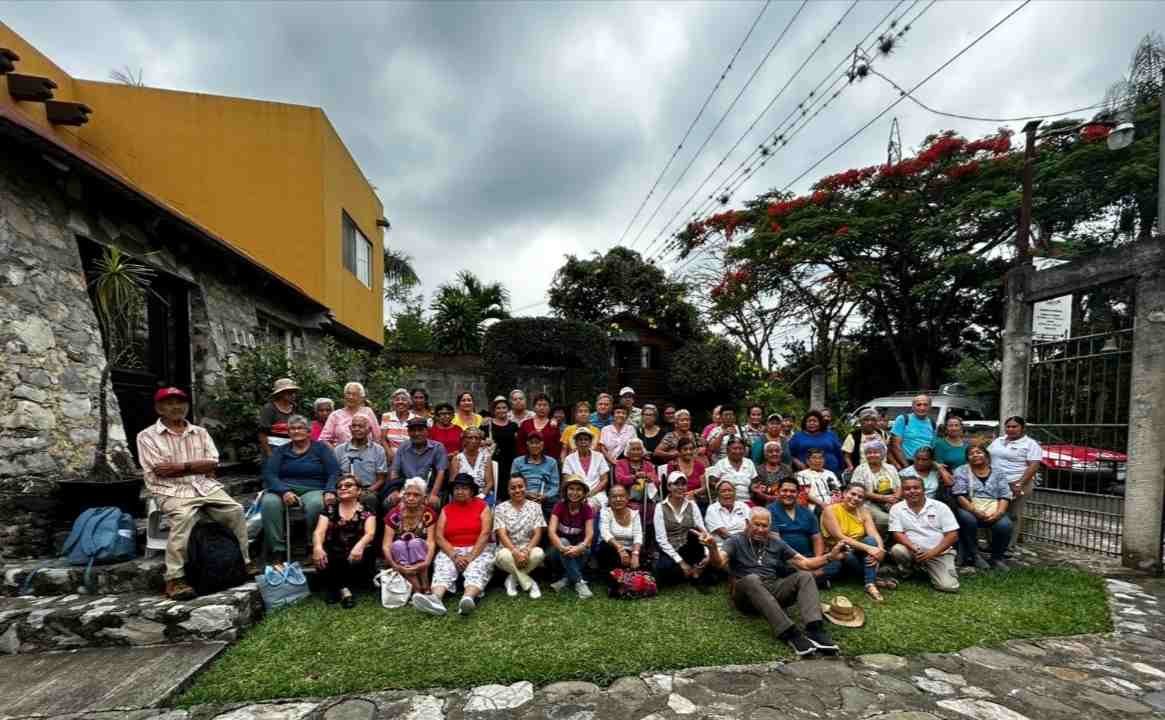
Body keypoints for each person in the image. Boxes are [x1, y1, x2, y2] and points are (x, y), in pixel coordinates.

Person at [137, 387, 255, 600]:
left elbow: (212, 463)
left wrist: (181, 466)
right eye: (169, 403)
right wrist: (196, 466)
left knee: (235, 510)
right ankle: (174, 578)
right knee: (183, 518)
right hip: (170, 490)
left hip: (204, 486)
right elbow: (159, 469)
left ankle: (243, 562)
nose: (176, 407)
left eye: (180, 402)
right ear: (159, 408)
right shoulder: (146, 436)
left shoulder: (200, 432)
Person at [705, 507, 844, 656]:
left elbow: (806, 564)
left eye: (764, 526)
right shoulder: (735, 540)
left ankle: (815, 629)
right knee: (752, 579)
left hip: (772, 589)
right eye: (756, 524)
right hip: (745, 595)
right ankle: (790, 633)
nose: (760, 529)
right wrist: (713, 547)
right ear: (747, 523)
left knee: (805, 575)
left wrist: (830, 556)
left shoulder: (776, 543)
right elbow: (719, 562)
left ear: (769, 527)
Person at [261, 414, 342, 564]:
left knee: (316, 505)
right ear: (288, 432)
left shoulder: (320, 449)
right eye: (292, 428)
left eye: (300, 428)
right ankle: (278, 550)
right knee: (269, 503)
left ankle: (312, 546)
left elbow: (334, 472)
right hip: (285, 488)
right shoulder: (281, 451)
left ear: (308, 431)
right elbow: (270, 474)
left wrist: (330, 490)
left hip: (313, 488)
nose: (296, 431)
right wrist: (283, 491)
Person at [412, 473, 495, 616]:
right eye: (457, 488)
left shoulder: (483, 506)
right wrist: (454, 555)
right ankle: (436, 599)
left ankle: (468, 598)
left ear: (471, 491)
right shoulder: (446, 509)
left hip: (478, 548)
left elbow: (485, 534)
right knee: (444, 566)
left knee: (477, 567)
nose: (459, 491)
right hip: (452, 548)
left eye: (464, 488)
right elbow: (439, 536)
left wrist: (469, 557)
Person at [821, 483, 892, 602]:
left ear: (863, 500)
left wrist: (880, 550)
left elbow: (873, 533)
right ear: (844, 493)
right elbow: (839, 536)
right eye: (852, 494)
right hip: (838, 553)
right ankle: (873, 579)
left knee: (871, 540)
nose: (855, 498)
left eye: (860, 497)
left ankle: (870, 584)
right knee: (848, 555)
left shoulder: (864, 511)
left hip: (856, 552)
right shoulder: (830, 510)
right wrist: (869, 549)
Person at [888, 474, 960, 592]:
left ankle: (928, 568)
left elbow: (953, 535)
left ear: (923, 490)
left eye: (916, 488)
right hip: (913, 551)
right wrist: (913, 547)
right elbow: (897, 533)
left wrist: (931, 553)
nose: (912, 491)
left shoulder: (940, 507)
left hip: (938, 552)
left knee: (949, 587)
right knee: (897, 550)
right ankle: (908, 571)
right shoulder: (897, 508)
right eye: (907, 489)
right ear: (902, 491)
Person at [312, 475, 375, 607]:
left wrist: (359, 546)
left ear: (358, 491)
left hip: (357, 553)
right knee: (328, 553)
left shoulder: (367, 510)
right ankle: (344, 590)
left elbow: (370, 533)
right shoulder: (329, 510)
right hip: (335, 553)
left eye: (348, 485)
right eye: (339, 487)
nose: (343, 488)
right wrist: (317, 547)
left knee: (361, 552)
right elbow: (319, 531)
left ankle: (335, 588)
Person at [951, 445, 1014, 569]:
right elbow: (959, 495)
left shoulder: (998, 471)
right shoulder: (961, 470)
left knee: (1004, 525)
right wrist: (975, 511)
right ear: (967, 458)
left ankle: (996, 558)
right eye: (971, 454)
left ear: (986, 455)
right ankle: (975, 556)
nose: (975, 455)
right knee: (969, 519)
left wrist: (999, 513)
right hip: (969, 507)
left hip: (993, 508)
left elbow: (1005, 494)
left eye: (978, 452)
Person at [988, 416, 1042, 550]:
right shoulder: (998, 441)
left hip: (1017, 484)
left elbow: (1034, 466)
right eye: (1008, 426)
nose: (1010, 429)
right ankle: (993, 544)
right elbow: (987, 456)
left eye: (1014, 426)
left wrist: (1019, 484)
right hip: (995, 483)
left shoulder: (1030, 444)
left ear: (1022, 428)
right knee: (992, 512)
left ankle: (1008, 546)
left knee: (1012, 515)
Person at [767, 478, 829, 585]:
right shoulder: (769, 511)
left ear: (798, 493)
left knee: (837, 560)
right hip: (786, 559)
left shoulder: (807, 512)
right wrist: (802, 561)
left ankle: (807, 577)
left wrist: (817, 561)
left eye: (792, 491)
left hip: (809, 558)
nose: (788, 494)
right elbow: (776, 541)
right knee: (776, 564)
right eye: (784, 490)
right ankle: (814, 578)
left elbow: (817, 539)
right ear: (778, 492)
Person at [653, 471, 712, 586]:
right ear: (669, 487)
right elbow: (661, 540)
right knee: (664, 570)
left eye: (683, 484)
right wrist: (681, 562)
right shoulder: (660, 507)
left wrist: (707, 553)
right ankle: (691, 571)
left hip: (689, 548)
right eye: (676, 484)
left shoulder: (692, 505)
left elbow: (702, 531)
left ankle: (694, 570)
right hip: (671, 549)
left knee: (693, 535)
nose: (680, 487)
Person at [492, 475, 547, 598]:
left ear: (525, 488)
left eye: (520, 486)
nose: (517, 490)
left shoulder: (535, 507)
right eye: (513, 488)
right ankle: (531, 583)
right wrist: (515, 552)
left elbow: (537, 533)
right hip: (508, 550)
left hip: (528, 549)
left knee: (539, 553)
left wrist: (526, 551)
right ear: (508, 490)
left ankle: (512, 579)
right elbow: (502, 534)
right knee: (502, 555)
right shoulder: (500, 508)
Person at [382, 477, 437, 596]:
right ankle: (417, 589)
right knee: (397, 545)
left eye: (416, 495)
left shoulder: (428, 514)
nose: (411, 498)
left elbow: (431, 541)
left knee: (415, 543)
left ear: (424, 498)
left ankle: (426, 585)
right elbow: (386, 545)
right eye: (408, 494)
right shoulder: (394, 514)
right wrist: (395, 565)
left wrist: (427, 562)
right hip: (400, 557)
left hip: (421, 553)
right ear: (403, 495)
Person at [548, 476, 595, 598]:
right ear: (566, 491)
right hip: (558, 551)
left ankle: (565, 580)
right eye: (571, 489)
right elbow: (551, 532)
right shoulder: (559, 506)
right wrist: (562, 547)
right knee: (563, 540)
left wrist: (580, 547)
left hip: (578, 551)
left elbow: (590, 534)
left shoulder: (587, 509)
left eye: (579, 489)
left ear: (584, 493)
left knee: (586, 548)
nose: (574, 493)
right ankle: (579, 582)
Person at [388, 417, 449, 508]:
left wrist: (433, 494)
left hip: (429, 488)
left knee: (434, 504)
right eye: (412, 430)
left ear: (427, 431)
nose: (417, 433)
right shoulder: (403, 447)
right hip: (406, 488)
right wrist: (394, 490)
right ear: (408, 432)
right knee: (389, 502)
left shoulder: (438, 447)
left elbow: (441, 472)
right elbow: (394, 470)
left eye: (420, 430)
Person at [333, 414, 388, 510]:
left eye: (361, 426)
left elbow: (381, 479)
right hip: (344, 488)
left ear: (369, 429)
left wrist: (365, 491)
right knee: (333, 500)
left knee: (369, 499)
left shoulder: (378, 450)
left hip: (368, 489)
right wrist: (344, 490)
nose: (357, 429)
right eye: (354, 426)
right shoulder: (339, 449)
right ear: (350, 428)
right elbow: (334, 475)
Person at [848, 440, 901, 533]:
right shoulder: (860, 469)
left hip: (891, 499)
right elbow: (858, 491)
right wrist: (883, 498)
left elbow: (899, 486)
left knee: (903, 514)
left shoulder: (890, 468)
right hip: (868, 502)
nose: (872, 455)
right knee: (885, 519)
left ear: (882, 454)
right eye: (869, 453)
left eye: (875, 452)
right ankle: (883, 540)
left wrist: (895, 498)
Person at [511, 432, 560, 520]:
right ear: (527, 444)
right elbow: (513, 484)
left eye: (537, 442)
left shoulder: (552, 462)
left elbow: (555, 486)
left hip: (545, 498)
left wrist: (545, 496)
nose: (534, 445)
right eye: (532, 443)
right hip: (523, 495)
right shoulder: (517, 462)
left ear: (542, 444)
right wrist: (526, 493)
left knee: (554, 507)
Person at [319, 382, 382, 448]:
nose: (350, 397)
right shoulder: (335, 415)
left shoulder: (368, 412)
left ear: (361, 398)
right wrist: (335, 451)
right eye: (348, 393)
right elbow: (322, 440)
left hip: (366, 453)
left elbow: (377, 437)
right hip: (342, 455)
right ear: (344, 396)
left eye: (354, 394)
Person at [598, 485, 643, 573]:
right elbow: (605, 533)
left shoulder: (634, 514)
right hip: (612, 548)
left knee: (640, 564)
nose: (618, 499)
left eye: (622, 496)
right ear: (609, 499)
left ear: (627, 498)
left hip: (630, 549)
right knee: (606, 550)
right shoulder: (605, 512)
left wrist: (635, 554)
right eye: (614, 497)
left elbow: (638, 535)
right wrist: (620, 549)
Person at [481, 397, 519, 503]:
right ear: (493, 410)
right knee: (494, 489)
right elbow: (477, 440)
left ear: (508, 409)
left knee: (508, 489)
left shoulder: (513, 425)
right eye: (498, 408)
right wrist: (484, 442)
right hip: (493, 462)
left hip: (510, 462)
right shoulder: (486, 425)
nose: (501, 410)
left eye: (504, 407)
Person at [562, 427, 610, 510]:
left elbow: (604, 479)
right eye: (580, 439)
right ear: (576, 442)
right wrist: (580, 494)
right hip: (575, 494)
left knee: (593, 506)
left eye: (586, 439)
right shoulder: (569, 459)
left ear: (590, 442)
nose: (583, 442)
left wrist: (591, 493)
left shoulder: (599, 456)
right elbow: (567, 479)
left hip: (597, 494)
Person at [788, 410, 844, 476]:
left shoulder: (831, 435)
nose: (812, 423)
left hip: (831, 472)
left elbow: (839, 453)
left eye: (815, 421)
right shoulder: (798, 436)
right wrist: (798, 463)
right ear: (805, 423)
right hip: (806, 472)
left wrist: (841, 468)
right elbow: (789, 454)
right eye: (809, 421)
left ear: (820, 422)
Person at [889, 395, 936, 468]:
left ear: (930, 407)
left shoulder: (932, 423)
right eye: (918, 404)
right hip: (907, 462)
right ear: (913, 406)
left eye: (925, 405)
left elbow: (932, 446)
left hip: (926, 464)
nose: (922, 408)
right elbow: (895, 446)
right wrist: (907, 467)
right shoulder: (903, 419)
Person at [706, 436, 758, 504]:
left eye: (741, 448)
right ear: (727, 450)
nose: (738, 451)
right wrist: (726, 489)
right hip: (726, 501)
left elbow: (755, 481)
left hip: (746, 500)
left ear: (745, 450)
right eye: (734, 448)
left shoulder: (749, 463)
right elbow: (711, 481)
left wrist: (753, 487)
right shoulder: (721, 463)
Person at [450, 426, 495, 503]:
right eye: (470, 437)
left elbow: (490, 483)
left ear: (480, 441)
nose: (473, 440)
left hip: (483, 494)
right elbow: (453, 482)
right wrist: (464, 496)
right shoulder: (457, 459)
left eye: (477, 438)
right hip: (462, 495)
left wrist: (481, 496)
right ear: (464, 440)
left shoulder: (486, 458)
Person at [613, 438, 659, 511]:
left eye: (638, 449)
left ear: (642, 451)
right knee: (638, 485)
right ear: (628, 452)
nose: (636, 452)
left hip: (647, 496)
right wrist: (634, 477)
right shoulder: (620, 463)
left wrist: (648, 477)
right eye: (633, 449)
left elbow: (656, 481)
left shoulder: (648, 464)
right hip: (626, 497)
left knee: (644, 485)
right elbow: (620, 479)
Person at [517, 393, 563, 465]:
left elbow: (557, 449)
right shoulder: (525, 424)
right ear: (534, 407)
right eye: (539, 405)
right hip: (526, 464)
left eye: (545, 405)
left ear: (549, 408)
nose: (542, 408)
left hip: (548, 465)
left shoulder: (554, 426)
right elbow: (520, 446)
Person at [258, 377, 299, 457]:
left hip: (291, 447)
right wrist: (269, 452)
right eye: (289, 393)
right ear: (280, 394)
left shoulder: (294, 407)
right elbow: (262, 433)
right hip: (274, 448)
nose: (293, 395)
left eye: (293, 392)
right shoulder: (269, 408)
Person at [704, 480, 749, 551]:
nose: (727, 493)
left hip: (745, 543)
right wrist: (741, 542)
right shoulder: (712, 509)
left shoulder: (743, 506)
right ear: (718, 494)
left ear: (735, 493)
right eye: (723, 491)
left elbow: (749, 525)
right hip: (723, 546)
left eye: (730, 490)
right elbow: (723, 534)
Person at [665, 437, 708, 510]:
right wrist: (683, 495)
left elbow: (704, 488)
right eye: (685, 449)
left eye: (691, 449)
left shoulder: (699, 465)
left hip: (697, 499)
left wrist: (693, 493)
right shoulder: (673, 465)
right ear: (679, 451)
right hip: (677, 497)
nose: (688, 452)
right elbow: (670, 486)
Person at [842, 409, 888, 473]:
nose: (870, 423)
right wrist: (851, 467)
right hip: (862, 471)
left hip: (882, 470)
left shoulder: (882, 433)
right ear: (860, 422)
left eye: (873, 420)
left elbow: (887, 450)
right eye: (866, 420)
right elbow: (847, 456)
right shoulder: (854, 436)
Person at [751, 440, 793, 507]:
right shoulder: (757, 470)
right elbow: (755, 492)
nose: (774, 454)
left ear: (781, 453)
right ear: (765, 454)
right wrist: (768, 497)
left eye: (777, 451)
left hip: (786, 503)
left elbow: (792, 488)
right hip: (763, 505)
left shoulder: (787, 469)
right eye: (770, 452)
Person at [797, 448, 840, 513]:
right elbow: (805, 493)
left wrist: (833, 504)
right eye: (814, 458)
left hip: (833, 505)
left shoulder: (830, 473)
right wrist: (823, 505)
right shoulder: (802, 474)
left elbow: (836, 491)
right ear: (807, 461)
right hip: (815, 507)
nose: (818, 461)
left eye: (820, 458)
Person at [380, 388, 417, 459]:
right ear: (393, 402)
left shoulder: (415, 418)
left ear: (409, 402)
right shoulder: (386, 416)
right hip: (391, 455)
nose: (400, 402)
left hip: (411, 455)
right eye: (397, 399)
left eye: (404, 399)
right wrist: (389, 452)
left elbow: (418, 440)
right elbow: (383, 439)